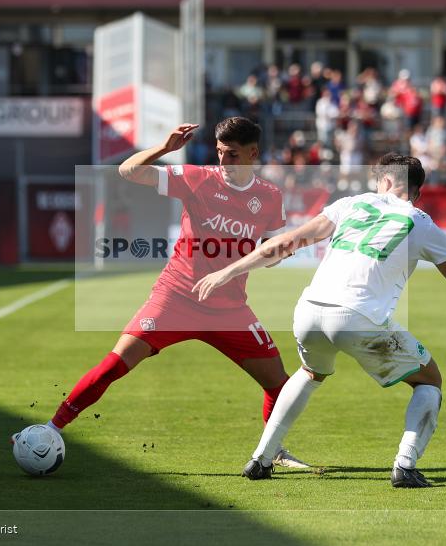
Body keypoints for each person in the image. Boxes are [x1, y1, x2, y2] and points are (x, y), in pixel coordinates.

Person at [28, 118, 309, 469]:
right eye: (220, 153)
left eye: (233, 154)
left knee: (280, 384)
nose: (223, 162)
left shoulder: (269, 197)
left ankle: (272, 451)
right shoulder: (198, 178)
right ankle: (52, 427)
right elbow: (128, 172)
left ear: (253, 153)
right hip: (176, 297)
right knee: (115, 364)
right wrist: (164, 149)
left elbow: (269, 253)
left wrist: (279, 254)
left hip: (230, 308)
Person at [193, 153, 446, 488]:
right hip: (356, 315)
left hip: (309, 310)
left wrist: (229, 270)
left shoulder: (350, 204)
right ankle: (405, 466)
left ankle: (261, 458)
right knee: (429, 379)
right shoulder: (420, 221)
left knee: (310, 373)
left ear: (385, 181)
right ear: (415, 190)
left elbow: (287, 242)